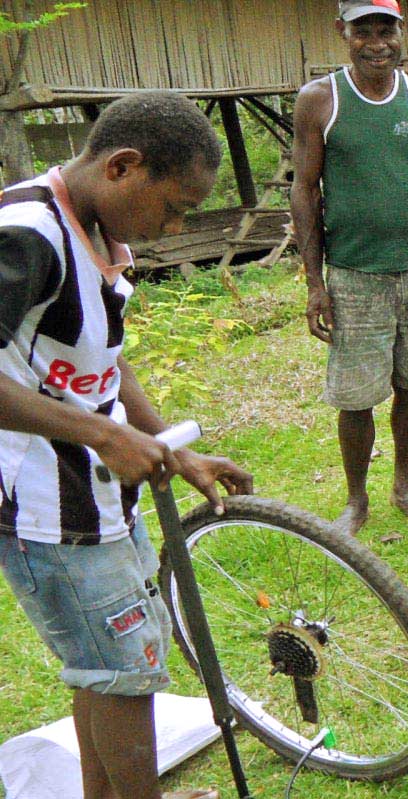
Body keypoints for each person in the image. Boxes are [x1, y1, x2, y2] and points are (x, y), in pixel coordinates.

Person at [0, 92, 253, 799]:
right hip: (49, 511)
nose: (173, 228)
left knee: (104, 667)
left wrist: (165, 445)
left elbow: (105, 356)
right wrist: (105, 434)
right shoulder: (27, 233)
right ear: (123, 167)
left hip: (99, 493)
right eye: (172, 207)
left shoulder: (100, 233)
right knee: (127, 668)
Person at [291, 0, 408, 533]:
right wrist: (314, 283)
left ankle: (403, 485)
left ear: (402, 33)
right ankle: (355, 500)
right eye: (363, 32)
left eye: (386, 31)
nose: (377, 43)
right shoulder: (320, 100)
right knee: (356, 395)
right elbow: (304, 192)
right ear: (343, 33)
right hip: (354, 273)